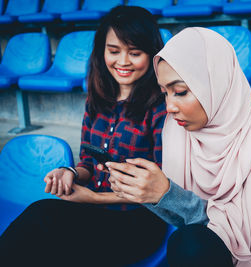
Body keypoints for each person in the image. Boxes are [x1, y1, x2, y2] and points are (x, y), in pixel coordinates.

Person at [106, 27, 251, 267]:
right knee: (190, 242)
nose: (169, 106)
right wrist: (145, 194)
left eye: (180, 92)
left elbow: (242, 224)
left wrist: (166, 193)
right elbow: (183, 217)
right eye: (164, 93)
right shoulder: (176, 130)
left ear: (215, 83)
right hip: (200, 242)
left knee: (191, 244)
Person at [0, 6, 167, 267]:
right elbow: (88, 161)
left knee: (41, 221)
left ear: (152, 54)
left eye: (135, 53)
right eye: (114, 51)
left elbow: (162, 189)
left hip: (137, 221)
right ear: (102, 52)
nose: (123, 61)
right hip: (93, 212)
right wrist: (71, 172)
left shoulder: (160, 108)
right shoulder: (97, 100)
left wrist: (95, 198)